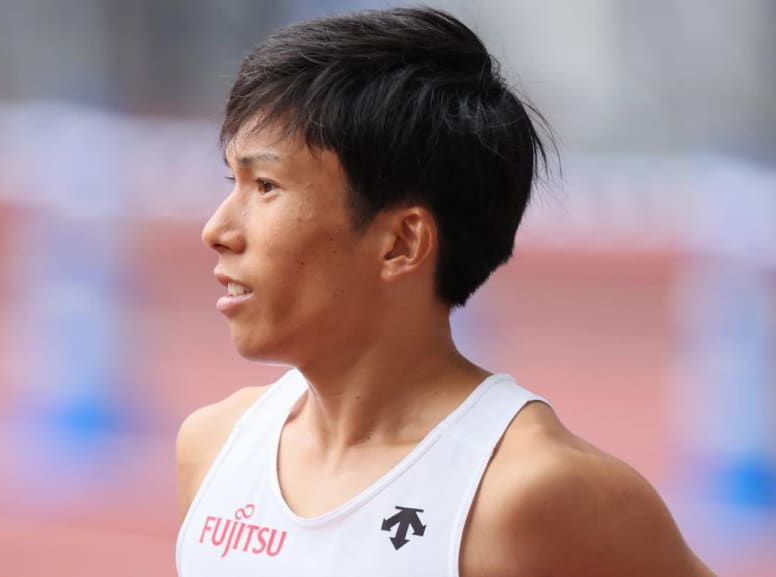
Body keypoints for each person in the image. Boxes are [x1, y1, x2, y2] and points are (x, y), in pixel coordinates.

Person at [175, 7, 715, 576]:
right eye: (232, 181)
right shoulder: (213, 447)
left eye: (265, 185)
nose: (216, 230)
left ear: (401, 243)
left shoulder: (530, 490)